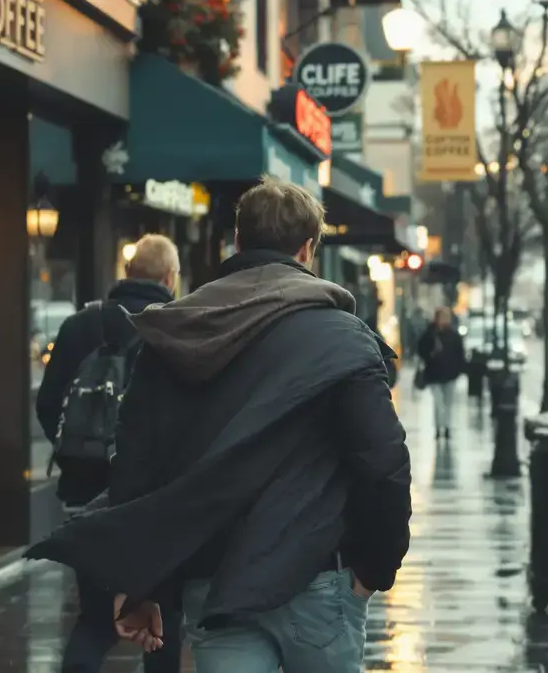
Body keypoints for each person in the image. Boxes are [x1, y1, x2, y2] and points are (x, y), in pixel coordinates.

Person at [27, 178, 412, 673]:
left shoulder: (179, 327)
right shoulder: (344, 338)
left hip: (216, 581)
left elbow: (140, 469)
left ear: (236, 241)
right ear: (308, 249)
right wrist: (373, 570)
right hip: (319, 580)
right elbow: (383, 465)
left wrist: (142, 584)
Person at [34, 233, 182, 673]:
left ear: (128, 273)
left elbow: (48, 404)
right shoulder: (177, 326)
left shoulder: (81, 325)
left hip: (84, 497)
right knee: (164, 619)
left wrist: (79, 456)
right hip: (154, 503)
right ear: (170, 278)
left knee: (96, 619)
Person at [417, 306, 466, 440]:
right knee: (439, 404)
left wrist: (459, 369)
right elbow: (421, 349)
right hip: (434, 375)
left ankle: (447, 427)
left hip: (450, 375)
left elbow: (460, 354)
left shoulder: (454, 335)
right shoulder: (430, 333)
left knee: (448, 404)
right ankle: (439, 428)